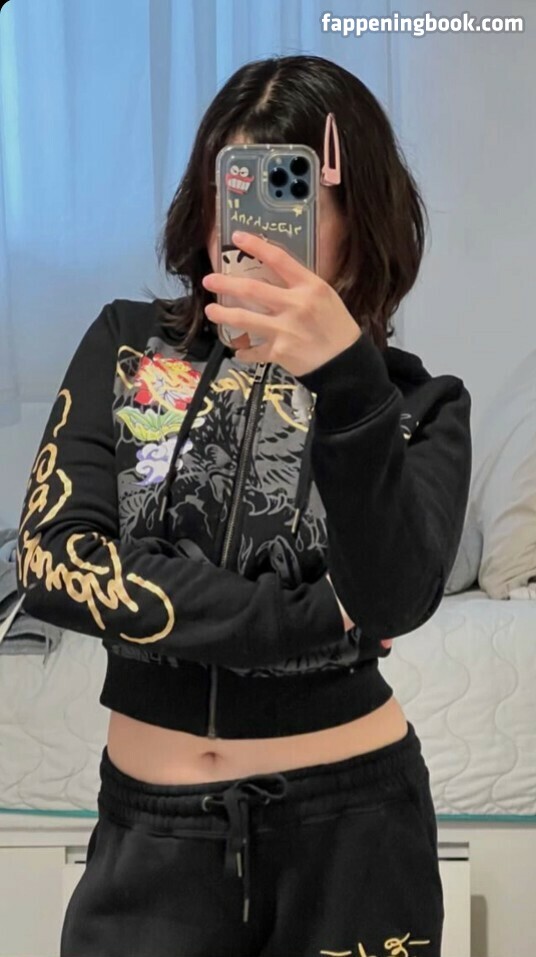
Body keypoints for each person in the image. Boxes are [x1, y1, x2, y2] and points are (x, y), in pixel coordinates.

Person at [16, 54, 471, 957]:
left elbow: (391, 599)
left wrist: (348, 382)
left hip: (355, 833)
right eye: (234, 187)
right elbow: (52, 561)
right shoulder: (126, 345)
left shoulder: (415, 407)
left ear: (358, 217)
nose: (251, 227)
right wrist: (309, 614)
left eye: (290, 192)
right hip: (152, 845)